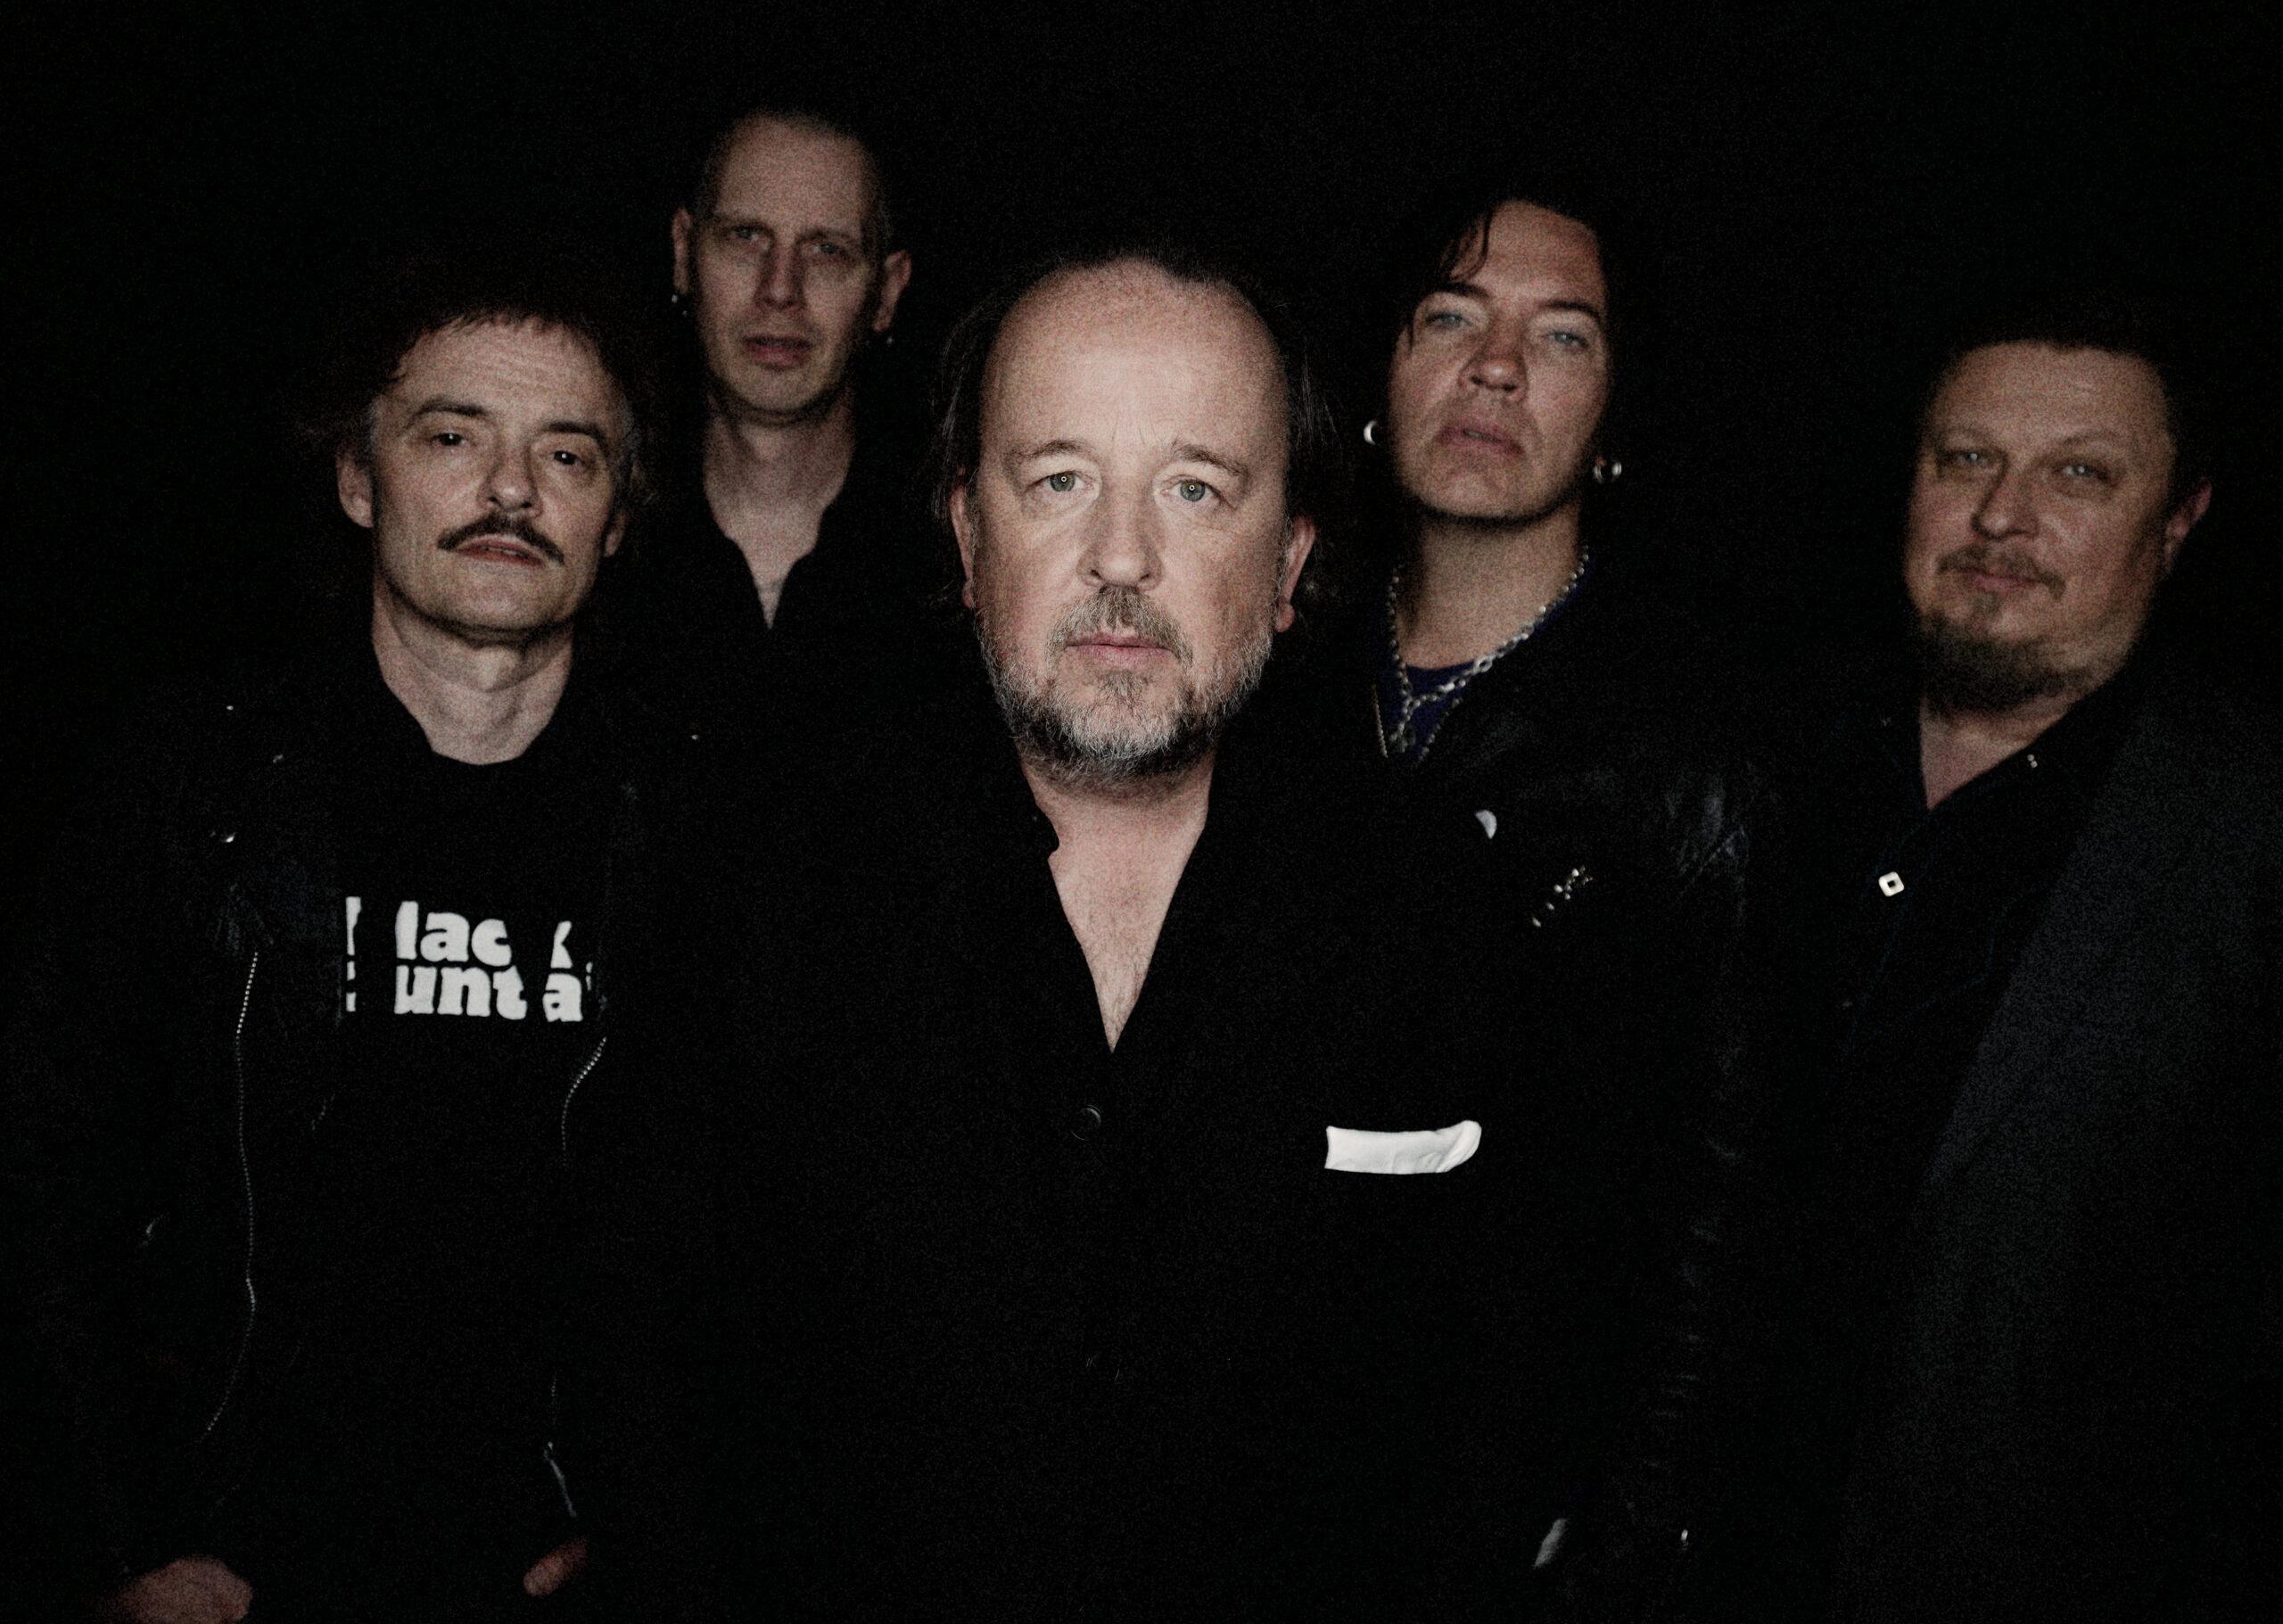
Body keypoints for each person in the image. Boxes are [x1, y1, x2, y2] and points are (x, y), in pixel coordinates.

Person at [671, 239, 1677, 1617]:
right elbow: (664, 1385)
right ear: (968, 537)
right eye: (1060, 480)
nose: (1123, 557)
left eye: (1195, 489)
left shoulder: (1441, 925)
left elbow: (1509, 1406)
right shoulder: (767, 899)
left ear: (1289, 560)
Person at [1, 249, 696, 1621]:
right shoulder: (193, 790)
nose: (512, 490)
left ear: (618, 517)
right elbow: (46, 1182)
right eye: (453, 437)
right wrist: (125, 1538)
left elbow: (763, 1249)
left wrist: (655, 1530)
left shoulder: (695, 835)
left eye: (567, 454)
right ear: (357, 478)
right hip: (233, 1574)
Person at [1722, 296, 2280, 1620]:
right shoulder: (1760, 755)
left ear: (2180, 519)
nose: (2001, 517)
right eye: (1966, 458)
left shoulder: (2245, 835)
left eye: (2079, 475)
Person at [1296, 174, 1780, 1595]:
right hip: (1246, 1467)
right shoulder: (1272, 673)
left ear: (1615, 417)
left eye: (1562, 335)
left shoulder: (1695, 753)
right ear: (1385, 371)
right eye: (1452, 317)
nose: (1496, 367)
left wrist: (1623, 1536)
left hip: (1509, 1515)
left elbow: (1725, 1201)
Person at [606, 102, 938, 723]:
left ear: (887, 291)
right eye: (745, 237)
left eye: (827, 250)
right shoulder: (596, 534)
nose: (780, 288)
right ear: (683, 253)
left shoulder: (955, 561)